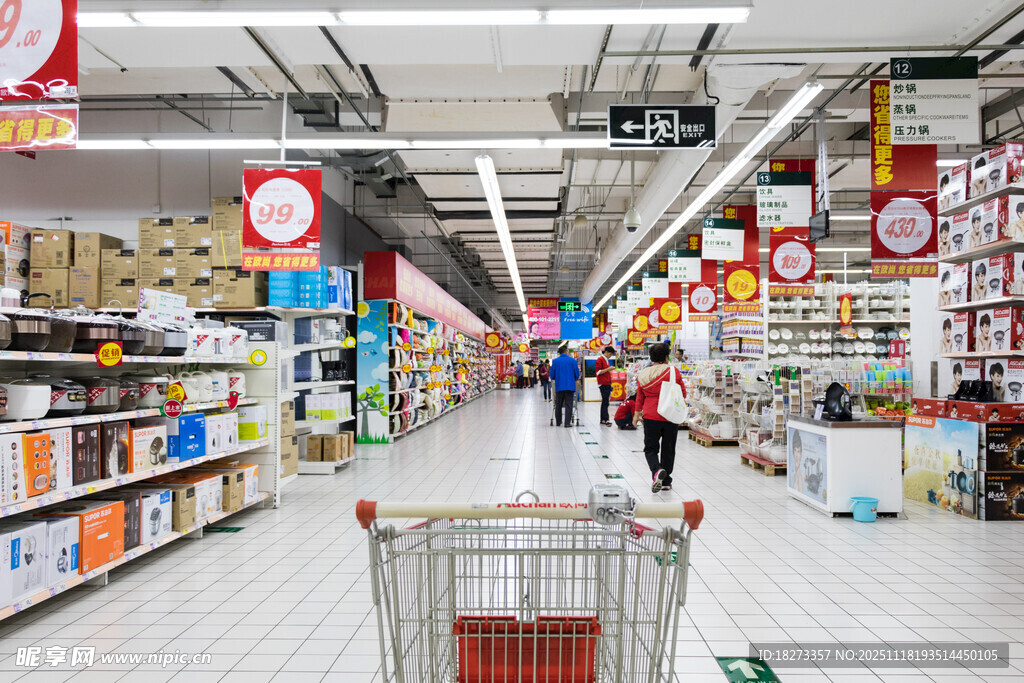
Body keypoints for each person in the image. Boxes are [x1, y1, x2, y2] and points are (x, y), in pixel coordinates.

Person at [634, 342, 686, 492]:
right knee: (668, 449)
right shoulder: (673, 371)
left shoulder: (643, 374)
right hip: (670, 414)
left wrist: (636, 414)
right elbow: (682, 392)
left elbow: (639, 396)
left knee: (650, 448)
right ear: (666, 356)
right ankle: (666, 481)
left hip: (650, 416)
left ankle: (656, 471)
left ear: (651, 357)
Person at [550, 344, 580, 428]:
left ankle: (558, 422)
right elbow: (577, 375)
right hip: (570, 386)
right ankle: (567, 423)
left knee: (558, 404)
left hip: (559, 386)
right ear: (566, 351)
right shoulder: (573, 361)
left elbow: (552, 375)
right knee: (569, 404)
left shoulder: (555, 361)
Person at [595, 345, 616, 426]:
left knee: (606, 402)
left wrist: (610, 384)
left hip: (606, 383)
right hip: (603, 384)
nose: (610, 356)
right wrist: (608, 369)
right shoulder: (600, 359)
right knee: (605, 402)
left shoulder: (606, 360)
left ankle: (604, 419)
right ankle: (605, 419)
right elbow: (598, 372)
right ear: (606, 352)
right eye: (610, 354)